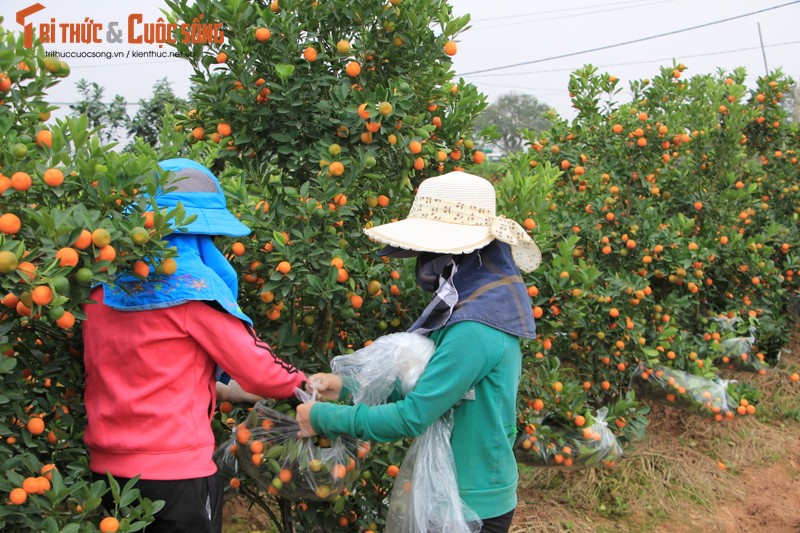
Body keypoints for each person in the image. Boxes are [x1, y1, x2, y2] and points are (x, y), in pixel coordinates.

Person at [296, 171, 541, 533]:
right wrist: (343, 387)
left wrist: (322, 418)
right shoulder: (473, 309)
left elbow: (414, 415)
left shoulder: (476, 326)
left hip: (470, 501)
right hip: (457, 490)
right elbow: (432, 389)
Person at [82, 158, 307, 533]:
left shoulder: (103, 286)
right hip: (175, 476)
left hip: (105, 472)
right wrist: (302, 381)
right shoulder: (194, 292)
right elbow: (260, 371)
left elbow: (145, 366)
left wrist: (218, 389)